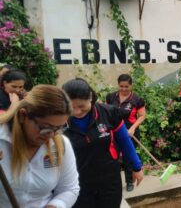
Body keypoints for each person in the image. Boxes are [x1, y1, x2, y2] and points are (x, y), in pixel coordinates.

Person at [62, 78, 143, 208]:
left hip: (109, 180)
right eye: (71, 107)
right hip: (78, 183)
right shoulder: (59, 120)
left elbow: (124, 140)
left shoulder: (108, 112)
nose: (77, 112)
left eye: (82, 106)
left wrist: (137, 167)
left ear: (90, 98)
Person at [0, 84, 80, 208]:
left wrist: (54, 206)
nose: (51, 135)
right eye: (45, 128)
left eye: (58, 128)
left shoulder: (61, 144)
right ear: (23, 115)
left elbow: (69, 188)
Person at [105, 74, 146, 192]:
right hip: (114, 131)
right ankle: (114, 182)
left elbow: (142, 116)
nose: (123, 89)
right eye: (121, 86)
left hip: (130, 132)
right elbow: (106, 112)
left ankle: (129, 182)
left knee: (128, 157)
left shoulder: (137, 99)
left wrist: (133, 128)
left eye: (126, 86)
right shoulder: (111, 97)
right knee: (114, 157)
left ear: (131, 85)